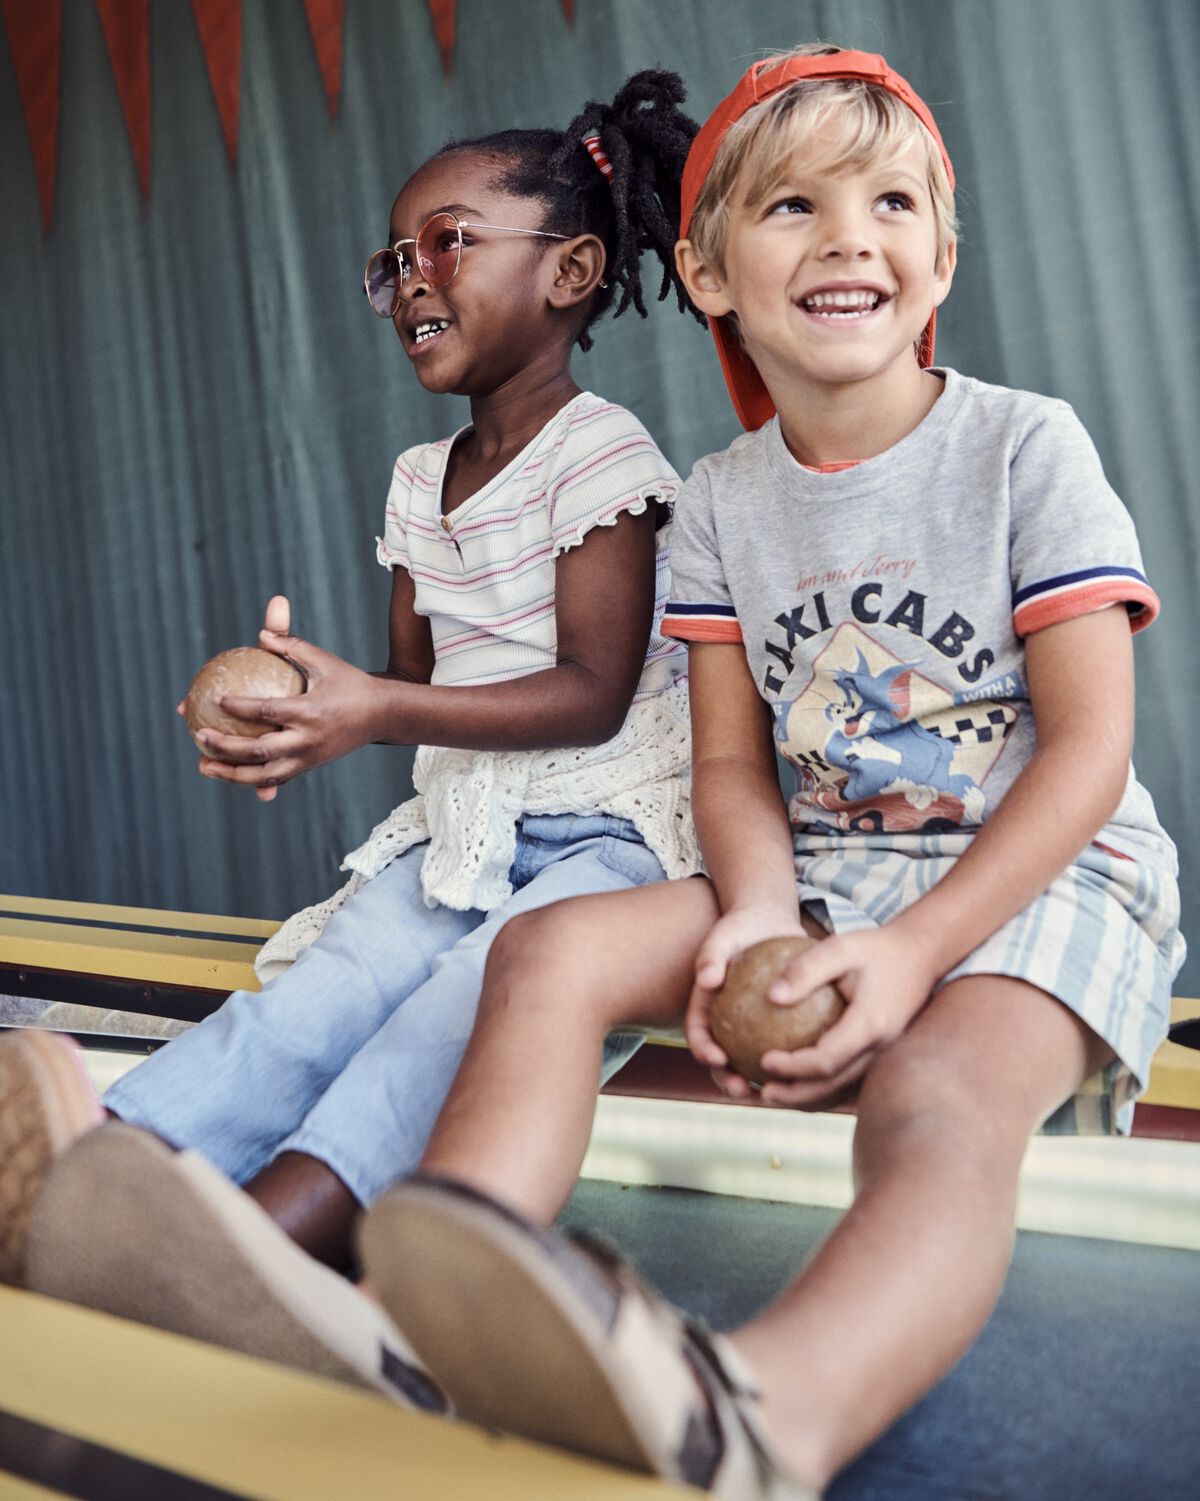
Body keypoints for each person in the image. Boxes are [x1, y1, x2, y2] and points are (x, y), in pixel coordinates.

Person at [353, 46, 1185, 1495]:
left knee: (939, 1102)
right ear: (711, 270)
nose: (849, 235)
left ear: (939, 263)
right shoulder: (724, 502)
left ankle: (772, 1412)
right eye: (794, 206)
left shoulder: (1023, 449)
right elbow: (733, 764)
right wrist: (752, 908)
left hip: (1043, 870)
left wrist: (916, 950)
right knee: (548, 949)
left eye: (890, 206)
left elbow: (1092, 750)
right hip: (821, 864)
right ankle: (441, 1296)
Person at [0, 71, 704, 1404]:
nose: (413, 275)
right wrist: (301, 709)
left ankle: (260, 1250)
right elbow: (409, 681)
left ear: (573, 270)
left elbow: (592, 693)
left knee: (438, 1023)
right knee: (319, 992)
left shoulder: (602, 457)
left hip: (610, 836)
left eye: (451, 240)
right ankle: (97, 1169)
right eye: (396, 258)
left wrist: (375, 705)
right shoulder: (412, 483)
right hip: (464, 827)